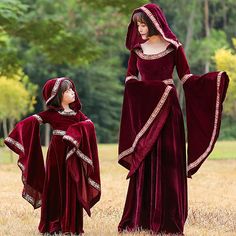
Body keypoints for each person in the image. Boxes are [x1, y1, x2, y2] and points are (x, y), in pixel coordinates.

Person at [118, 3, 229, 234]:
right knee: (145, 162)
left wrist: (213, 82)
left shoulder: (174, 48)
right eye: (137, 24)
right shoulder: (137, 51)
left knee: (169, 163)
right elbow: (130, 79)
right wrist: (148, 91)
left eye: (142, 24)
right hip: (146, 118)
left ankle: (168, 220)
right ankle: (141, 219)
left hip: (169, 115)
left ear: (154, 22)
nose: (139, 29)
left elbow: (187, 79)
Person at [4, 77, 101, 235]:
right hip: (56, 155)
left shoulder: (78, 115)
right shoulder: (51, 114)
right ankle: (53, 225)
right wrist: (16, 135)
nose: (72, 92)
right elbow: (30, 121)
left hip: (73, 154)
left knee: (72, 185)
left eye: (72, 89)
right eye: (67, 90)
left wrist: (75, 132)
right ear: (57, 95)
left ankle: (71, 226)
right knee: (54, 186)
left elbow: (88, 125)